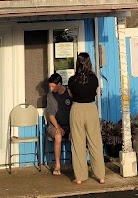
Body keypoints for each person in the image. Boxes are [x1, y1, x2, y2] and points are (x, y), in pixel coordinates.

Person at [66, 51, 106, 185]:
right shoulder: (94, 78)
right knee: (95, 142)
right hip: (90, 109)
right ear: (89, 63)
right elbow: (95, 92)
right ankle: (100, 176)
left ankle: (80, 177)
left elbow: (71, 94)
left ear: (77, 63)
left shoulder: (71, 80)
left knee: (78, 144)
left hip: (76, 109)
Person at [44, 72, 71, 175]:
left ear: (59, 84)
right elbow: (50, 114)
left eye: (53, 86)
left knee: (77, 136)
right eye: (50, 86)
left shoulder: (69, 93)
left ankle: (77, 164)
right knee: (58, 135)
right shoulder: (50, 96)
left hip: (69, 124)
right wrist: (58, 127)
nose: (51, 89)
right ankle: (58, 165)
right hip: (54, 125)